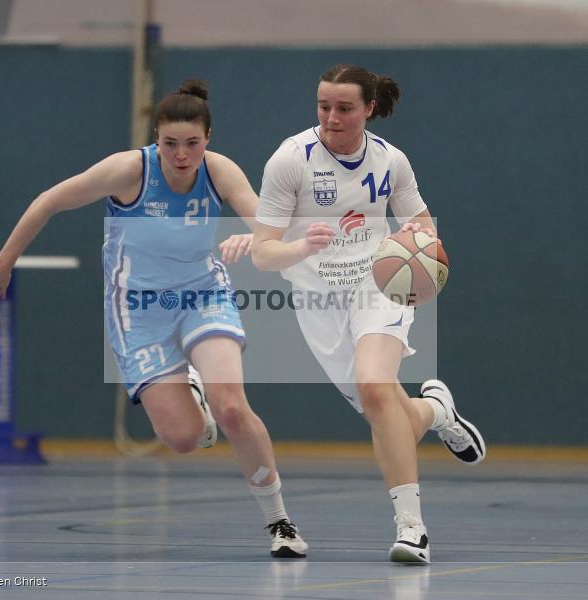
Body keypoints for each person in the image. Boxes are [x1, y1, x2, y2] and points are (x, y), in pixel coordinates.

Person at [0, 80, 308, 559]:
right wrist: (5, 261)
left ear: (208, 138)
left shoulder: (219, 171)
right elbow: (49, 200)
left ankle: (279, 521)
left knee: (233, 408)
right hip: (138, 311)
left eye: (192, 143)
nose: (181, 154)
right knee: (183, 438)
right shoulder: (128, 170)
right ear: (156, 138)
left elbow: (266, 227)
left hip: (202, 294)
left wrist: (255, 238)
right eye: (170, 143)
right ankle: (191, 392)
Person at [251, 64, 485, 564]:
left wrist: (422, 245)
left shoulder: (390, 160)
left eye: (344, 108)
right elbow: (262, 253)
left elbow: (422, 224)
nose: (331, 117)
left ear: (369, 109)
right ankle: (436, 411)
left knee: (377, 388)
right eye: (323, 106)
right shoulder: (290, 160)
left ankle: (412, 529)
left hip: (377, 286)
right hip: (316, 300)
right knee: (388, 416)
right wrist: (300, 247)